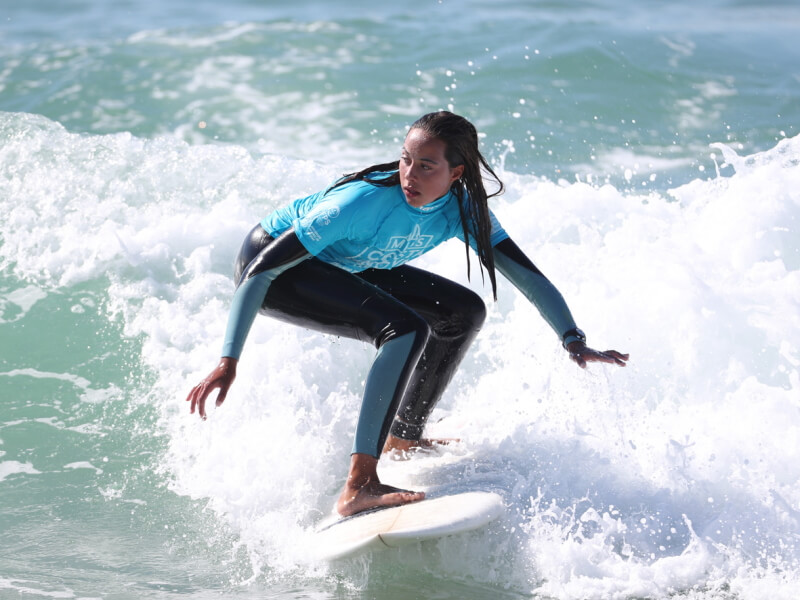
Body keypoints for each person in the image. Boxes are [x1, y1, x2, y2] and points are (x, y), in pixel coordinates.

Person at [185, 111, 628, 517]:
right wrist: (229, 359)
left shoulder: (463, 211)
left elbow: (528, 276)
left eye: (426, 165)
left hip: (346, 261)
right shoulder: (362, 201)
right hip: (274, 266)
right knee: (404, 329)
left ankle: (404, 436)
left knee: (462, 311)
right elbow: (259, 272)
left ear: (456, 173)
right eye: (405, 160)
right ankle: (359, 485)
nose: (409, 175)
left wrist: (573, 338)